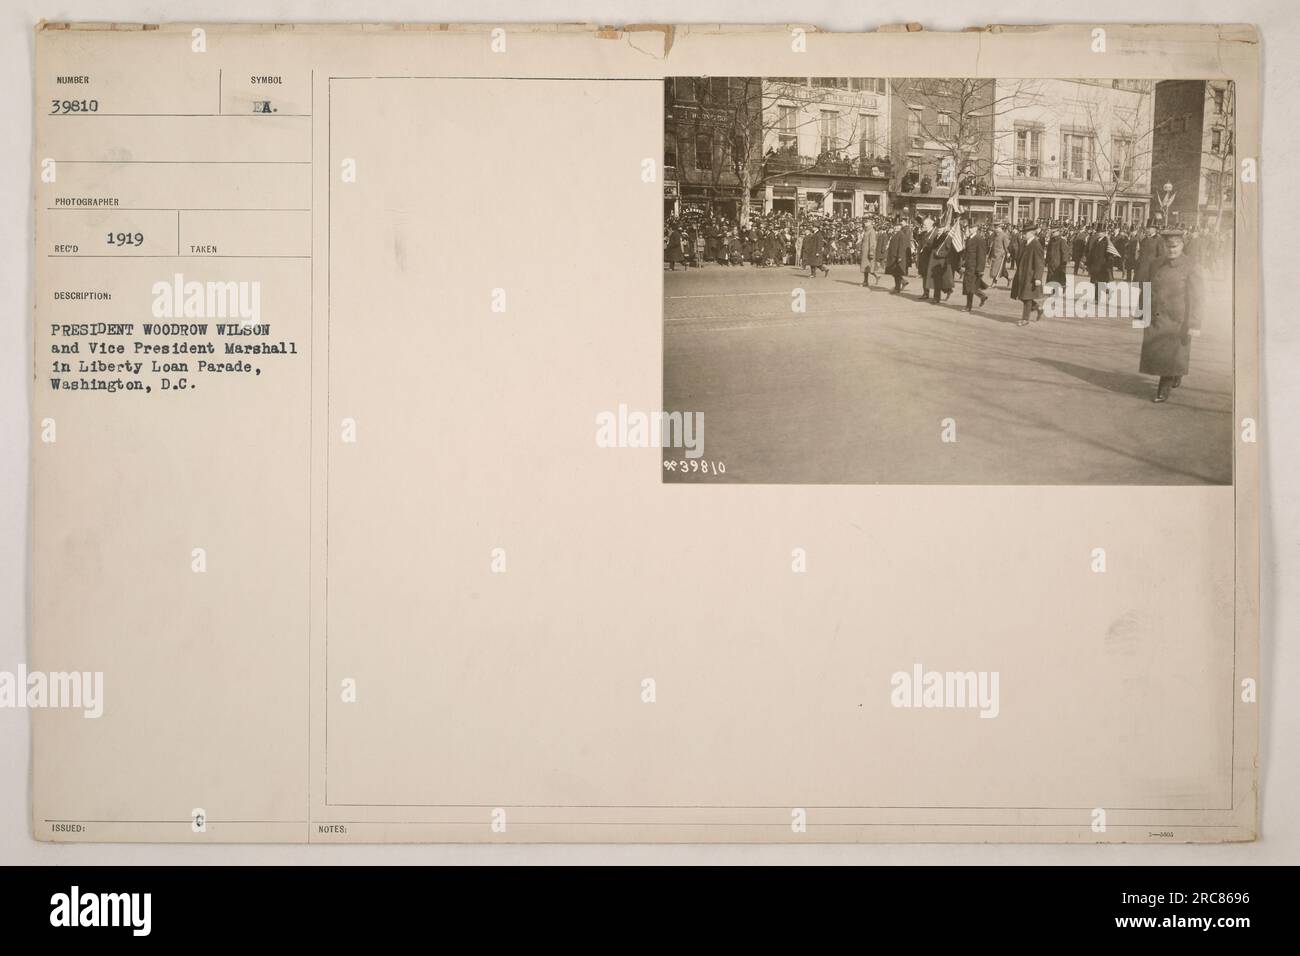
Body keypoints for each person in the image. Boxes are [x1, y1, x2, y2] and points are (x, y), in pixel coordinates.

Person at [1140, 229, 1203, 403]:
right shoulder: (1156, 264)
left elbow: (1197, 297)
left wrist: (1194, 323)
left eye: (1175, 246)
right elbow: (1146, 288)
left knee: (1170, 353)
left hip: (1178, 319)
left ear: (1182, 245)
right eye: (1168, 246)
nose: (1171, 250)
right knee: (1159, 353)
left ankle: (1163, 388)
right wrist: (1141, 312)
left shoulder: (1191, 265)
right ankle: (1175, 372)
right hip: (1157, 316)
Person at [1011, 221, 1046, 326]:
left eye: (1025, 232)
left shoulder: (1036, 245)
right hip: (1022, 274)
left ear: (1031, 233)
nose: (1023, 234)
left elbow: (1040, 263)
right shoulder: (1024, 243)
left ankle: (1025, 319)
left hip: (1030, 275)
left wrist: (1038, 278)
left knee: (1026, 297)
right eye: (1023, 232)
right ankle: (1038, 308)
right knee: (1021, 295)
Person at [961, 221, 989, 312]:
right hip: (969, 266)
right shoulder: (969, 238)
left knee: (970, 286)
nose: (970, 229)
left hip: (974, 267)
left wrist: (980, 269)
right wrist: (963, 263)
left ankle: (968, 306)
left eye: (972, 228)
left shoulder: (979, 239)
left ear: (976, 229)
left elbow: (982, 255)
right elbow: (967, 253)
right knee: (970, 286)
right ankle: (982, 296)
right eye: (969, 228)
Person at [859, 217, 879, 287]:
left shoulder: (872, 231)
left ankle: (866, 281)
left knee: (868, 267)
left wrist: (871, 252)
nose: (865, 223)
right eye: (864, 222)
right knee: (866, 267)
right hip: (865, 252)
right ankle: (867, 280)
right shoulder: (866, 230)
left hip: (868, 252)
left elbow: (873, 243)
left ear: (870, 222)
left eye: (866, 222)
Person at [988, 223, 1009, 288]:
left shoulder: (1004, 235)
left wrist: (1008, 253)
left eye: (997, 228)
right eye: (995, 228)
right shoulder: (994, 235)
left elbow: (1006, 245)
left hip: (1000, 255)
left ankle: (994, 283)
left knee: (996, 269)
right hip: (994, 254)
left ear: (1000, 228)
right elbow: (991, 244)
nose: (995, 229)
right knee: (1001, 270)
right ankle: (1009, 278)